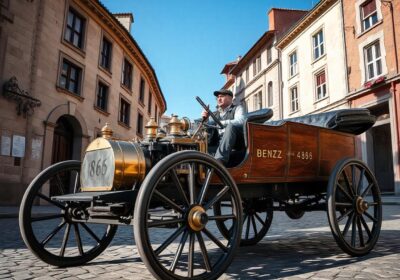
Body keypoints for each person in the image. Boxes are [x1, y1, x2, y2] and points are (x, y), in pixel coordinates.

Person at [201, 89, 245, 166]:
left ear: (230, 98)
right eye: (217, 97)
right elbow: (208, 128)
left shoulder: (237, 108)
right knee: (201, 150)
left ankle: (219, 162)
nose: (219, 99)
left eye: (221, 96)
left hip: (234, 145)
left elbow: (241, 121)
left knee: (231, 126)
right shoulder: (214, 114)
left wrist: (222, 123)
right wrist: (206, 119)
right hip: (218, 145)